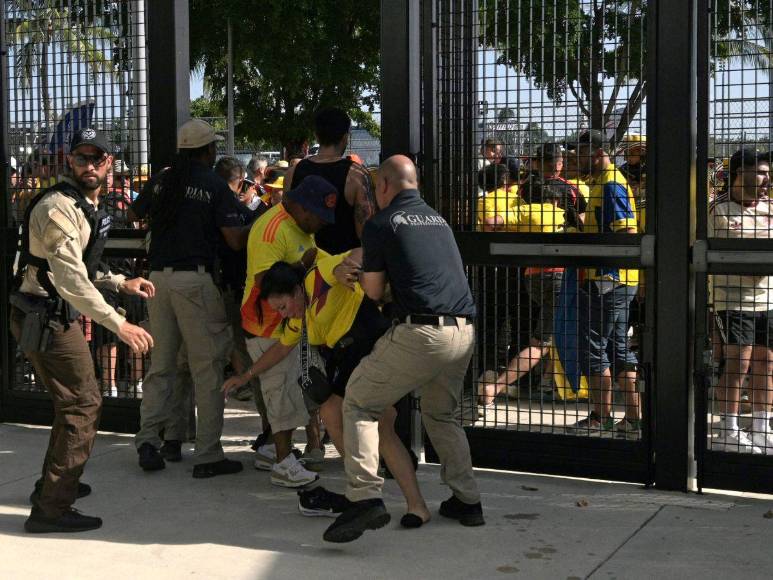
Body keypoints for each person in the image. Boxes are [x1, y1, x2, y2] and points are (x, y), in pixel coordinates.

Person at [323, 155, 483, 544]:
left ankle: (364, 497)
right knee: (441, 415)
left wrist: (353, 275)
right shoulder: (438, 221)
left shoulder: (381, 224)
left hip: (420, 334)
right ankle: (468, 501)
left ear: (383, 186)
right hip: (463, 331)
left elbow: (374, 292)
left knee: (359, 402)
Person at [11, 128, 154, 533]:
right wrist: (119, 323)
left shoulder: (84, 204)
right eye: (81, 158)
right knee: (83, 404)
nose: (89, 165)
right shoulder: (57, 207)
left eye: (97, 158)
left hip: (52, 313)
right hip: (46, 316)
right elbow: (70, 279)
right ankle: (52, 509)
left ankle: (52, 488)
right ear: (69, 162)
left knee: (72, 405)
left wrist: (120, 282)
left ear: (110, 163)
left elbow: (83, 269)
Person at [223, 254, 429, 523]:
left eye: (283, 306)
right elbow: (281, 348)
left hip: (371, 345)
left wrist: (349, 269)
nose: (284, 314)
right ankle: (373, 495)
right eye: (278, 311)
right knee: (342, 416)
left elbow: (361, 251)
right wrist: (245, 376)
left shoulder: (316, 276)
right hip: (350, 359)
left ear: (296, 290)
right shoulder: (298, 318)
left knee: (374, 425)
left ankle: (386, 500)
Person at [132, 119, 248, 477]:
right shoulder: (213, 184)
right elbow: (234, 240)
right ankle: (208, 454)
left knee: (162, 366)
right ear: (208, 150)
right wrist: (256, 223)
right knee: (206, 369)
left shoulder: (163, 179)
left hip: (157, 281)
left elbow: (136, 213)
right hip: (195, 282)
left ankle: (149, 440)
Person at [240, 175, 339, 487]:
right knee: (280, 393)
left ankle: (274, 450)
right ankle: (283, 464)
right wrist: (302, 272)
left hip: (290, 325)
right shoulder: (271, 229)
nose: (321, 224)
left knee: (293, 390)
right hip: (268, 328)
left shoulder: (301, 227)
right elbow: (263, 283)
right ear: (302, 207)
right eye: (318, 217)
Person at [563, 130, 641, 437]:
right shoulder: (601, 183)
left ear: (597, 153)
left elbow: (627, 232)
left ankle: (601, 417)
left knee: (593, 347)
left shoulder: (610, 184)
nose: (574, 158)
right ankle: (633, 420)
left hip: (608, 279)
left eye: (580, 153)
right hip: (614, 279)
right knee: (618, 349)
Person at [477, 176, 580, 406]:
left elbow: (490, 222)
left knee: (550, 333)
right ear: (554, 199)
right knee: (540, 342)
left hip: (532, 277)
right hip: (560, 279)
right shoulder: (562, 214)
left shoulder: (524, 212)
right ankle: (497, 386)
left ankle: (551, 382)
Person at [710, 147, 773, 453]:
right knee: (738, 363)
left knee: (766, 361)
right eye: (759, 172)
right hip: (731, 299)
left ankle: (762, 428)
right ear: (739, 173)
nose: (766, 179)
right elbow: (718, 256)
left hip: (768, 298)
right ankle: (729, 430)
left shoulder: (770, 208)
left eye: (767, 173)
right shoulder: (719, 210)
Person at [212, 155, 272, 445]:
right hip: (237, 291)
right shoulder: (232, 208)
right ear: (238, 182)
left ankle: (271, 431)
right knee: (254, 361)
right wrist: (258, 223)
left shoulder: (236, 207)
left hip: (231, 290)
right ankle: (271, 432)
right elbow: (236, 242)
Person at [284, 107, 373, 255]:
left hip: (301, 262)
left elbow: (285, 220)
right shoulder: (357, 176)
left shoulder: (293, 172)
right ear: (345, 137)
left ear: (316, 136)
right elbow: (367, 234)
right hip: (343, 264)